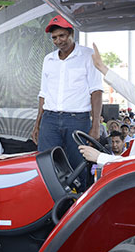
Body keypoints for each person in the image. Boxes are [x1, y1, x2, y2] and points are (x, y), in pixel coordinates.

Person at [31, 15, 103, 176]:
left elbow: (96, 91)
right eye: (54, 37)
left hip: (77, 120)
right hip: (49, 120)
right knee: (46, 166)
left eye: (62, 36)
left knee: (78, 166)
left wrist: (96, 124)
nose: (58, 41)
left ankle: (79, 201)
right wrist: (38, 124)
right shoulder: (48, 59)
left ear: (72, 34)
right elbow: (43, 93)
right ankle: (50, 201)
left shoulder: (87, 55)